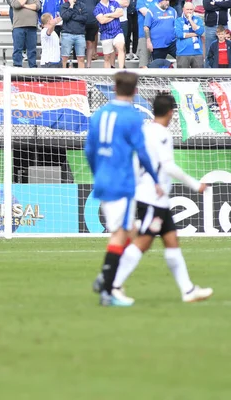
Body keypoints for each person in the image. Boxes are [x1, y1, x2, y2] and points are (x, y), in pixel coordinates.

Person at [108, 94, 213, 304]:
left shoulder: (145, 130)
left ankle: (188, 290)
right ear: (172, 113)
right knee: (143, 242)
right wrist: (195, 185)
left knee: (172, 241)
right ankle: (112, 285)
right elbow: (168, 166)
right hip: (151, 198)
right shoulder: (163, 134)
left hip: (158, 199)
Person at [84, 71, 162, 307]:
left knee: (128, 232)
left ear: (114, 88)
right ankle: (109, 287)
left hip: (103, 179)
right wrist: (156, 178)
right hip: (123, 181)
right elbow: (142, 151)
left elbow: (89, 148)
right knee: (120, 234)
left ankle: (108, 279)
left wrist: (98, 171)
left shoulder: (99, 114)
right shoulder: (132, 116)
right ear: (135, 91)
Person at [94, 0, 127, 68]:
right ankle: (107, 75)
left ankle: (121, 70)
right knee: (107, 57)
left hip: (117, 31)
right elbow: (102, 21)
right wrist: (114, 15)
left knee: (120, 47)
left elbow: (120, 13)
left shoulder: (114, 3)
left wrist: (108, 15)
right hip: (105, 33)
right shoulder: (97, 8)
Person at [10, 0, 41, 68]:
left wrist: (23, 5)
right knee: (18, 49)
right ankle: (17, 66)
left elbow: (37, 6)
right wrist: (26, 4)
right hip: (18, 26)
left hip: (32, 26)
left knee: (32, 50)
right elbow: (17, 5)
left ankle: (33, 67)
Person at [175, 1, 204, 68]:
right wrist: (195, 34)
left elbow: (200, 32)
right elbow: (179, 34)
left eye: (191, 9)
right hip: (183, 53)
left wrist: (190, 20)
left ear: (193, 10)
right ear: (183, 9)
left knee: (199, 77)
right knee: (182, 77)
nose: (189, 11)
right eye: (187, 9)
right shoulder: (178, 21)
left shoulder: (198, 19)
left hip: (197, 53)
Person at [60, 0, 87, 68]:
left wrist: (73, 16)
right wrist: (71, 6)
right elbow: (65, 17)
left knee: (81, 58)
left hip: (80, 34)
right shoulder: (64, 6)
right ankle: (64, 76)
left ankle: (81, 77)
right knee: (64, 58)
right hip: (67, 34)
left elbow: (85, 18)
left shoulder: (82, 5)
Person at [203, 0, 231, 65]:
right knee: (209, 51)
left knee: (227, 50)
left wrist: (215, 3)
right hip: (210, 26)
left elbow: (229, 4)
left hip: (223, 25)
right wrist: (222, 6)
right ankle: (208, 74)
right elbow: (207, 6)